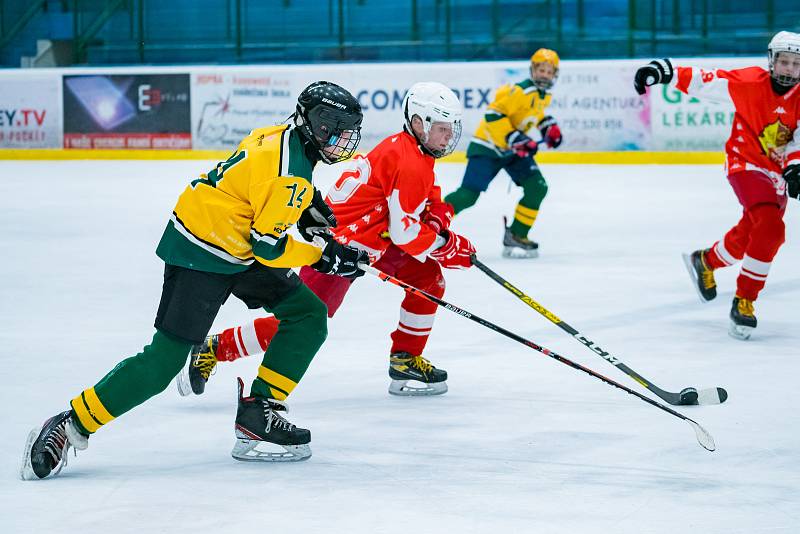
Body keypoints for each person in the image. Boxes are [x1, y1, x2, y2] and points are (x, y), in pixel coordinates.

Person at [20, 81, 369, 479]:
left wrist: (305, 207)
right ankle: (70, 424)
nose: (344, 138)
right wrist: (324, 256)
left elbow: (258, 187)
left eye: (348, 128)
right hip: (201, 250)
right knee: (163, 362)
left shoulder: (284, 135)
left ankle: (258, 412)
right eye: (336, 127)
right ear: (316, 125)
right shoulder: (290, 176)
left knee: (307, 314)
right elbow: (269, 249)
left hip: (236, 240)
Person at [174, 81, 476, 399]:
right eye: (443, 128)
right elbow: (406, 233)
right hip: (340, 243)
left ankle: (405, 359)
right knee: (304, 319)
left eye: (451, 127)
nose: (449, 135)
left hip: (376, 239)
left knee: (426, 278)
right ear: (418, 124)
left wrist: (439, 218)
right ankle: (215, 348)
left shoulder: (413, 151)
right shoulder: (409, 159)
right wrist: (447, 247)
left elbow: (426, 197)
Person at [634, 31, 800, 340]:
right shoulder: (749, 83)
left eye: (796, 63)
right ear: (771, 61)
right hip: (746, 163)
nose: (789, 69)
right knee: (771, 228)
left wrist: (795, 167)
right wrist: (662, 70)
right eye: (784, 61)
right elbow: (704, 80)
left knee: (752, 233)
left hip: (777, 173)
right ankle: (745, 300)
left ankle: (705, 261)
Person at [444, 48, 563, 258]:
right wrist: (516, 138)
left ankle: (517, 234)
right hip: (487, 146)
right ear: (532, 71)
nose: (544, 74)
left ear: (555, 75)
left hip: (510, 150)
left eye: (548, 71)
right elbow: (493, 114)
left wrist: (547, 127)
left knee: (537, 187)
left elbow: (532, 115)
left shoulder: (543, 95)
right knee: (468, 196)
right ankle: (426, 223)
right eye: (540, 69)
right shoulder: (520, 91)